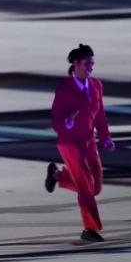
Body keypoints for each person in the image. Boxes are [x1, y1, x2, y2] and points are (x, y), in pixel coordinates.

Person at [47, 44, 114, 243]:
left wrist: (106, 138)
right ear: (75, 64)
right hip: (69, 143)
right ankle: (90, 229)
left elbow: (100, 115)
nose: (90, 67)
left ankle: (57, 175)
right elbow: (56, 122)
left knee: (95, 187)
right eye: (87, 63)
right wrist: (67, 122)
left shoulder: (96, 85)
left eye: (92, 63)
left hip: (88, 141)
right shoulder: (64, 90)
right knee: (85, 186)